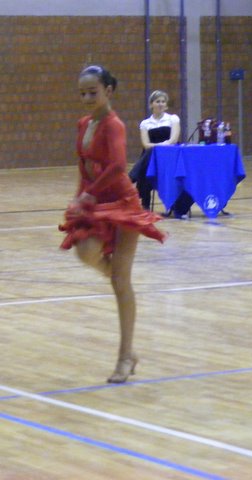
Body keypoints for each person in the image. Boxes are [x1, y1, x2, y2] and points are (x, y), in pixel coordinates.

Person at [59, 65, 167, 384]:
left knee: (121, 283)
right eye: (82, 93)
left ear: (108, 91)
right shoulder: (83, 123)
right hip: (94, 202)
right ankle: (115, 273)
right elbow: (84, 167)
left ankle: (125, 356)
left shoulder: (114, 125)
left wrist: (89, 194)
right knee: (85, 250)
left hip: (122, 203)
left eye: (92, 92)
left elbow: (118, 166)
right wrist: (79, 198)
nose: (86, 98)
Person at [129, 90, 181, 210]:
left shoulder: (173, 119)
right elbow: (146, 144)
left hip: (169, 156)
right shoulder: (145, 123)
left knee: (149, 158)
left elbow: (173, 140)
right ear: (151, 104)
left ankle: (131, 178)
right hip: (151, 156)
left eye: (163, 101)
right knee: (149, 158)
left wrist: (160, 146)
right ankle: (145, 204)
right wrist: (157, 147)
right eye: (158, 101)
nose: (161, 104)